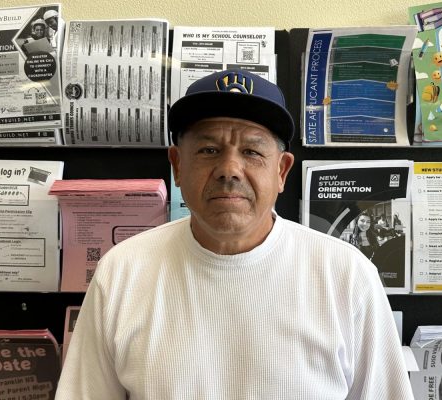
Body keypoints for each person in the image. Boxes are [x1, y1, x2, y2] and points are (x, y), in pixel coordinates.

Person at [56, 69, 413, 399]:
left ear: (282, 171)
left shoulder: (346, 276)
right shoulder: (121, 272)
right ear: (178, 165)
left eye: (252, 152)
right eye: (209, 150)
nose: (229, 169)